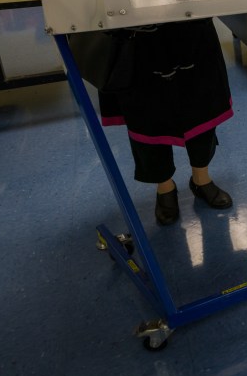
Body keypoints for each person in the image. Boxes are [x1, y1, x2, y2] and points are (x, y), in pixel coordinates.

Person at [98, 19, 234, 226]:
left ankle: (201, 179)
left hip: (188, 21)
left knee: (201, 110)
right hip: (134, 34)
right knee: (148, 118)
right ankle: (165, 187)